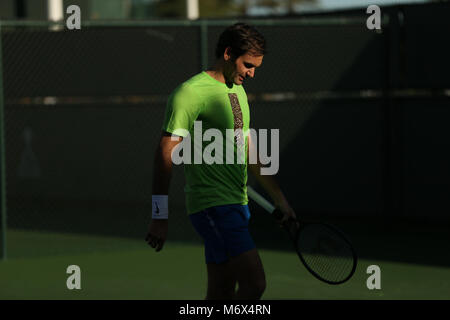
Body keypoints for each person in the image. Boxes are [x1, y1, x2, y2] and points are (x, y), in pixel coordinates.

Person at [145, 22, 297, 300]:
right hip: (213, 207)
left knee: (221, 291)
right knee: (255, 284)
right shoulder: (189, 93)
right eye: (247, 65)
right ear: (228, 53)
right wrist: (159, 214)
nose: (251, 73)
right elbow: (165, 152)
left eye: (255, 68)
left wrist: (280, 199)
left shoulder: (237, 90)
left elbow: (249, 150)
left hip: (237, 205)